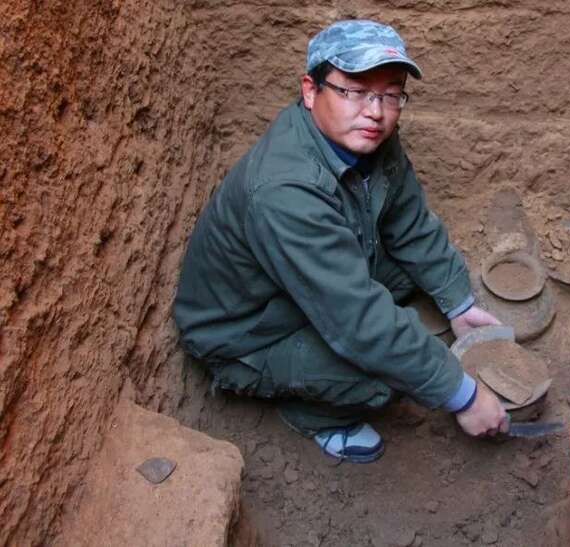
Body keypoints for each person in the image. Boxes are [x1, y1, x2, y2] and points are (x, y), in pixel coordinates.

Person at [173, 19, 509, 463]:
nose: (375, 111)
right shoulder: (284, 190)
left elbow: (409, 222)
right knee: (385, 378)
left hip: (296, 286)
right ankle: (314, 414)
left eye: (391, 94)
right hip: (245, 335)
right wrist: (463, 395)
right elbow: (358, 321)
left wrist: (458, 303)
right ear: (310, 91)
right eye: (354, 91)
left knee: (406, 286)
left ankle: (367, 356)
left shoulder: (363, 137)